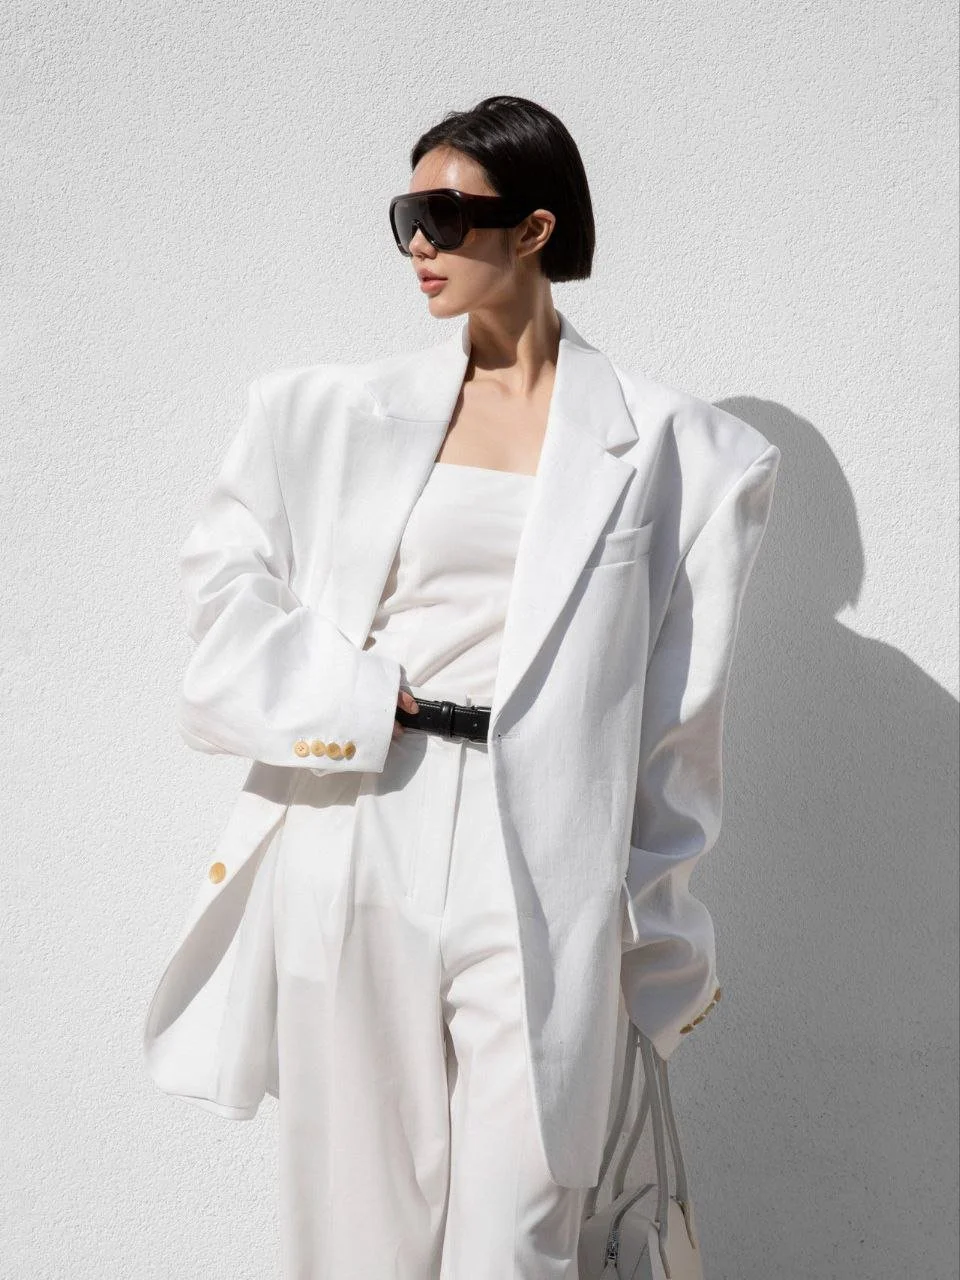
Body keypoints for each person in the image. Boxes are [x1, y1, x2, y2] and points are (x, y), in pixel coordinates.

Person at [142, 95, 781, 1279]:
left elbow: (678, 728)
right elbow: (219, 610)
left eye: (445, 215)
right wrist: (353, 694)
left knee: (520, 1236)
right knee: (357, 1234)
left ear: (536, 229)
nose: (418, 244)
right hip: (359, 823)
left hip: (547, 862)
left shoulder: (691, 452)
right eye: (406, 216)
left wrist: (655, 952)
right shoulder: (325, 412)